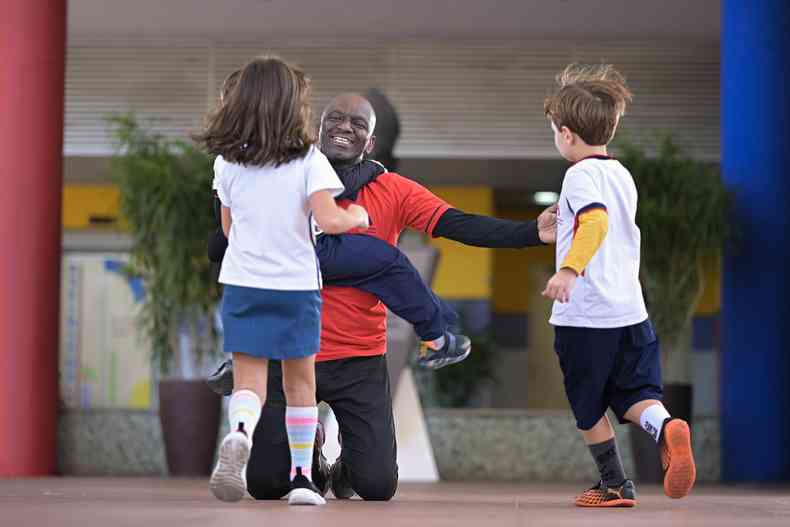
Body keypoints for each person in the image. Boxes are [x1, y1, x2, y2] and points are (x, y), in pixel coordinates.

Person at [210, 91, 557, 502]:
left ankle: (338, 464)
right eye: (334, 119)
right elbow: (226, 242)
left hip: (359, 358)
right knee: (266, 485)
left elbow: (459, 225)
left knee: (375, 486)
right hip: (289, 350)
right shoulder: (289, 176)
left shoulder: (393, 190)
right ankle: (312, 455)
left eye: (357, 124)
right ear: (316, 131)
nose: (344, 127)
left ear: (370, 142)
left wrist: (530, 233)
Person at [208, 71, 471, 373]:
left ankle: (243, 362)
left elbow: (227, 229)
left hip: (260, 257)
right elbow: (329, 203)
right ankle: (438, 340)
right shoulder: (285, 148)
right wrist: (364, 191)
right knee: (388, 261)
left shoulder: (226, 159)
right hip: (306, 245)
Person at [195, 56, 370, 506]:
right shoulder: (308, 160)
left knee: (250, 382)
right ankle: (301, 479)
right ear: (293, 106)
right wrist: (356, 215)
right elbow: (329, 220)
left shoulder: (228, 161)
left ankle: (238, 435)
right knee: (299, 385)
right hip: (295, 287)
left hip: (243, 284)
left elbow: (230, 229)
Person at [541, 63, 696, 507]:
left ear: (567, 134)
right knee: (635, 395)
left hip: (586, 317)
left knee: (588, 405)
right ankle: (667, 429)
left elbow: (595, 224)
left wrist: (569, 269)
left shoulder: (578, 175)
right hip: (632, 312)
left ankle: (613, 483)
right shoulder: (621, 174)